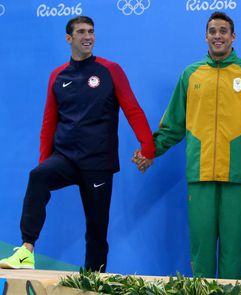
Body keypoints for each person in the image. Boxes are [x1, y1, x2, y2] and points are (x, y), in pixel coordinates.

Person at [134, 11, 241, 279]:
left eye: (223, 31)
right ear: (205, 36)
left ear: (233, 36)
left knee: (237, 252)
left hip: (238, 176)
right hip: (200, 173)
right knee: (201, 249)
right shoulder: (191, 74)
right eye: (213, 31)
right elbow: (172, 125)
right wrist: (151, 152)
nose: (218, 36)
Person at [0, 16, 155, 272]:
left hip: (98, 162)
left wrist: (148, 149)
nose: (88, 36)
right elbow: (49, 122)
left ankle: (94, 280)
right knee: (38, 176)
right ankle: (26, 250)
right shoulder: (57, 76)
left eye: (91, 31)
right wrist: (45, 161)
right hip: (66, 158)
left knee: (96, 230)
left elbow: (133, 110)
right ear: (69, 38)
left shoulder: (110, 70)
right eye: (81, 32)